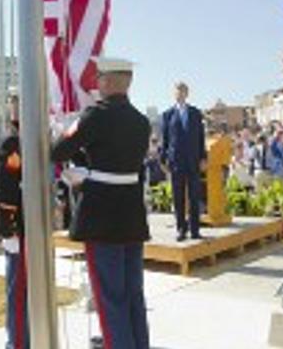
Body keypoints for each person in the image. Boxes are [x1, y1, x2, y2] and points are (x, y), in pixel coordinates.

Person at [52, 57, 151, 349]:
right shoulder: (141, 121)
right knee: (133, 295)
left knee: (109, 298)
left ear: (107, 81)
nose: (96, 83)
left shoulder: (95, 115)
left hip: (102, 215)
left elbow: (59, 150)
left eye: (99, 78)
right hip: (132, 215)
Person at [0, 88, 28, 349]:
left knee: (19, 291)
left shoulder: (14, 142)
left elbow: (8, 187)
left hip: (21, 226)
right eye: (13, 103)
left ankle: (19, 343)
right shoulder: (20, 141)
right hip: (26, 226)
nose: (14, 108)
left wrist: (9, 226)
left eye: (17, 103)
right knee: (20, 289)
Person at [160, 81, 207, 241]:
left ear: (187, 94)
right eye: (178, 91)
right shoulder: (168, 115)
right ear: (174, 94)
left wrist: (203, 157)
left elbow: (201, 137)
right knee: (178, 197)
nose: (180, 93)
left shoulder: (195, 113)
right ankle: (181, 229)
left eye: (183, 91)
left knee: (194, 196)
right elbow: (165, 140)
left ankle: (195, 230)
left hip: (193, 160)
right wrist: (163, 160)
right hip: (176, 162)